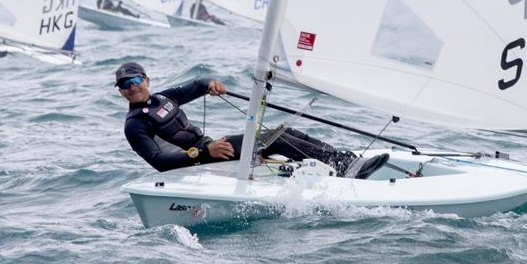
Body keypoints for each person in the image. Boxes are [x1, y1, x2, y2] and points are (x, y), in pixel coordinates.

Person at [117, 62, 387, 178]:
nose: (132, 86)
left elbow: (197, 85)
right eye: (125, 84)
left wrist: (211, 84)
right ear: (120, 91)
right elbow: (159, 162)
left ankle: (344, 159)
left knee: (284, 131)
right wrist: (202, 151)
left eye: (136, 80)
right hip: (200, 156)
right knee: (275, 141)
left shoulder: (163, 98)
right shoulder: (134, 125)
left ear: (147, 80)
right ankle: (344, 167)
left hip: (210, 147)